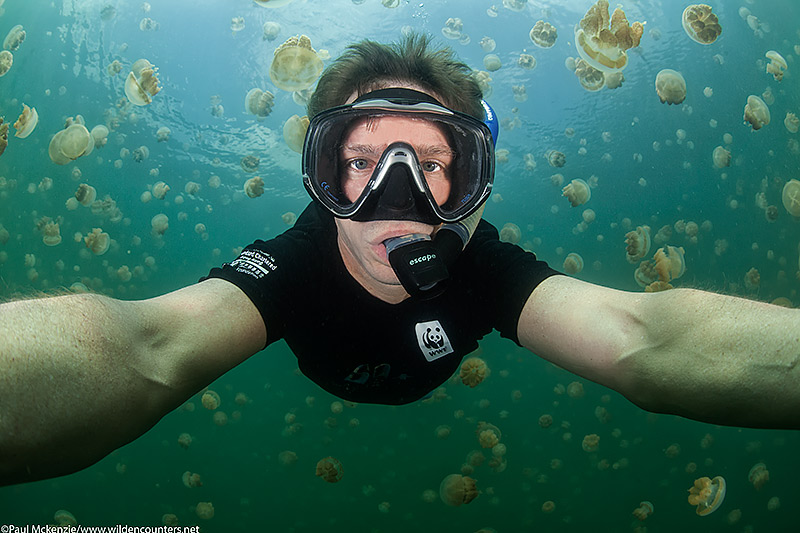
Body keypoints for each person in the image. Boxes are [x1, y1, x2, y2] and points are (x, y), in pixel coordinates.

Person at [1, 34, 799, 488]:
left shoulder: (484, 268)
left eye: (429, 162)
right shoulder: (294, 264)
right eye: (362, 162)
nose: (395, 194)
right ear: (322, 178)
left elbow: (646, 338)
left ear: (470, 183)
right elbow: (143, 345)